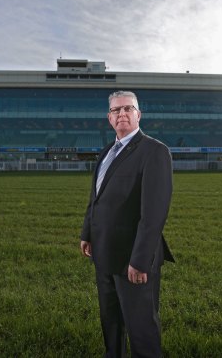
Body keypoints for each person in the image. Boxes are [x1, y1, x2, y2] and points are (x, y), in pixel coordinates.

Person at [80, 91, 175, 357]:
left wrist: (140, 260)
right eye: (115, 110)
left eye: (127, 109)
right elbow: (95, 198)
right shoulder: (105, 153)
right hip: (104, 253)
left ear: (138, 115)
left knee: (141, 330)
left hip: (132, 259)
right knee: (111, 325)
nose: (121, 114)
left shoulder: (154, 152)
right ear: (109, 118)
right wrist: (87, 233)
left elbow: (154, 213)